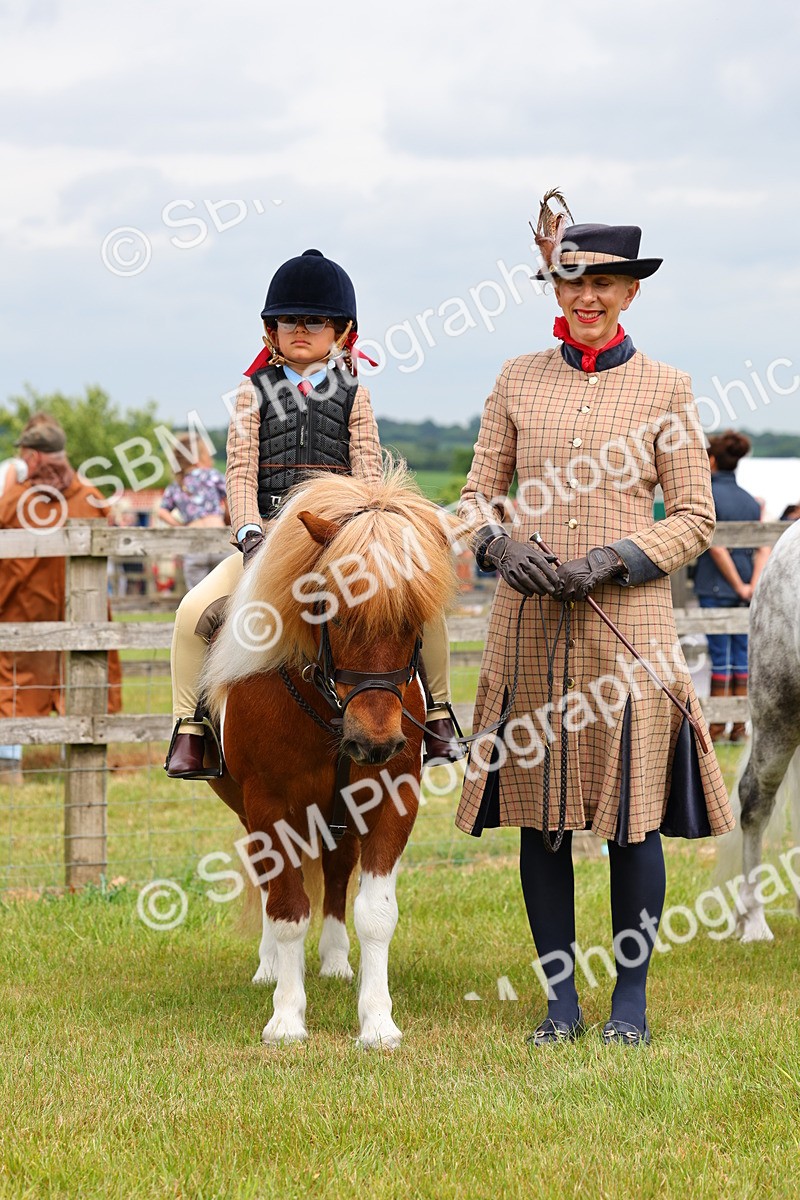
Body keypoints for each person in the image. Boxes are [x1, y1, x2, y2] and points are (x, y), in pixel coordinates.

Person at [456, 197, 734, 1046]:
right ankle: (559, 1006)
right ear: (557, 281)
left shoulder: (668, 388)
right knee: (541, 822)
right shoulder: (515, 377)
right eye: (573, 279)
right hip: (528, 631)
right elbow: (472, 499)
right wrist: (500, 546)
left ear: (629, 293)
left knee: (629, 822)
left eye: (605, 283)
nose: (588, 297)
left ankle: (629, 1006)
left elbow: (693, 516)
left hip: (630, 633)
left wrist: (614, 559)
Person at [165, 248, 461, 777]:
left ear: (341, 331)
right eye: (287, 320)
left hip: (339, 544)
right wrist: (250, 531)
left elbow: (369, 476)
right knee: (192, 612)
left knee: (427, 615)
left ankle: (437, 716)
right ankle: (192, 728)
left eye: (314, 320)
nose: (299, 329)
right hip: (270, 543)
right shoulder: (251, 394)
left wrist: (366, 536)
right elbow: (239, 472)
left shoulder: (355, 395)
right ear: (270, 331)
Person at [0, 419, 122, 740]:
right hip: (82, 611)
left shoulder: (13, 502)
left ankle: (11, 764)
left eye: (26, 455)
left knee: (15, 683)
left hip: (25, 612)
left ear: (35, 458)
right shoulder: (93, 498)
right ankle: (84, 752)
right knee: (85, 679)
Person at [693, 431, 770, 743]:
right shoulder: (750, 500)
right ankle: (738, 724)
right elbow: (763, 545)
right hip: (747, 589)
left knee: (718, 656)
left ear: (711, 460)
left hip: (717, 585)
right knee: (741, 655)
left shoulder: (707, 495)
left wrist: (736, 584)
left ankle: (715, 724)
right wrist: (750, 584)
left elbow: (716, 546)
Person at [156, 433, 230, 589]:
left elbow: (162, 512)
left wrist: (181, 527)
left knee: (197, 598)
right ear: (199, 457)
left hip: (193, 545)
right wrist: (226, 519)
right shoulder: (212, 475)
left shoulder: (177, 485)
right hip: (219, 540)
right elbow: (230, 499)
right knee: (225, 594)